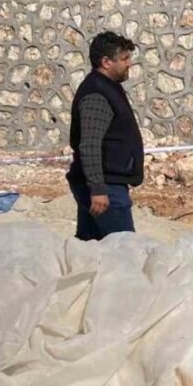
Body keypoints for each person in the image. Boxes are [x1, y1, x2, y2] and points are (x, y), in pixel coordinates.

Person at [67, 32, 143, 241]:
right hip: (105, 189)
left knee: (90, 248)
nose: (130, 63)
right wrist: (98, 189)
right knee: (124, 252)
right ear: (106, 62)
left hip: (104, 184)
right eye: (125, 59)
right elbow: (89, 145)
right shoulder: (97, 94)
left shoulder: (108, 88)